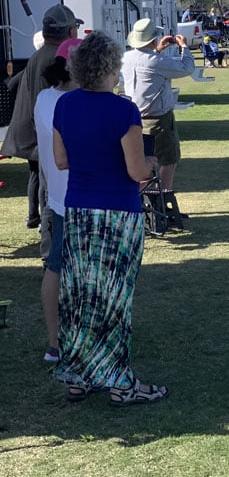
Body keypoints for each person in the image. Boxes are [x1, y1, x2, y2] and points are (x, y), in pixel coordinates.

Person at [52, 30, 168, 406]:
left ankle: (78, 375)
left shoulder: (64, 106)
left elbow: (61, 160)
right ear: (110, 68)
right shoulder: (123, 110)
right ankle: (120, 382)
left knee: (79, 296)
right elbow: (136, 172)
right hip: (118, 214)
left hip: (78, 212)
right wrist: (150, 163)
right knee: (114, 298)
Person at [0, 5, 83, 239]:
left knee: (40, 181)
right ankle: (48, 235)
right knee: (49, 189)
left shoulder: (39, 54)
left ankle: (41, 225)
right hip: (45, 137)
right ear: (69, 32)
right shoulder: (54, 57)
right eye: (75, 27)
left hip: (38, 136)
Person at [33, 37, 82, 363]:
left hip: (60, 197)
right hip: (74, 198)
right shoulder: (70, 102)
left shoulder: (44, 99)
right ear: (67, 66)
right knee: (64, 268)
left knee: (58, 268)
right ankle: (61, 342)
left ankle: (60, 341)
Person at [121, 18, 194, 191]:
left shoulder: (126, 58)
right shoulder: (156, 61)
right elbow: (187, 67)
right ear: (153, 39)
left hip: (133, 117)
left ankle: (144, 201)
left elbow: (146, 64)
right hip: (158, 119)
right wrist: (184, 46)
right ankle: (163, 201)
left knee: (140, 162)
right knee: (168, 160)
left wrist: (158, 49)